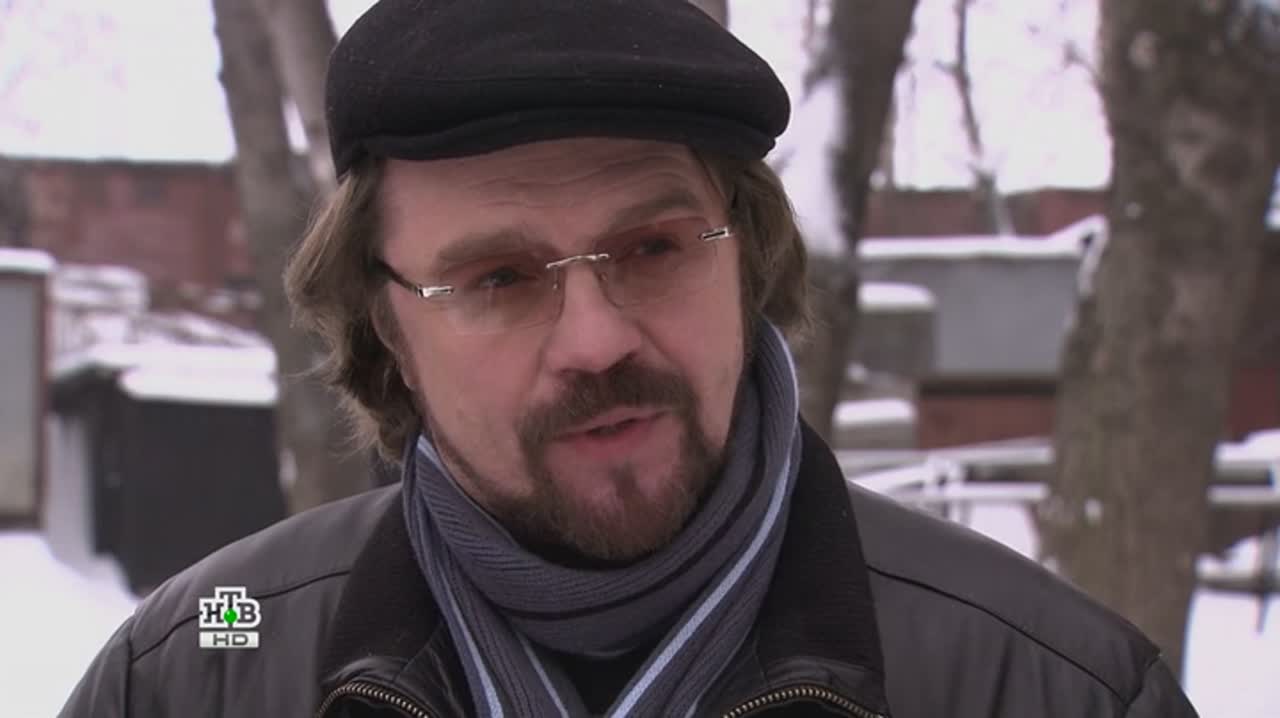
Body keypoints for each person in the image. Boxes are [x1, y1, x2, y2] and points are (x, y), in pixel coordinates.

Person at [60, 1, 1200, 716]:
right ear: (388, 330)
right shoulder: (196, 672)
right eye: (498, 278)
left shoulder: (1052, 687)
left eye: (654, 247)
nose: (597, 338)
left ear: (746, 257)